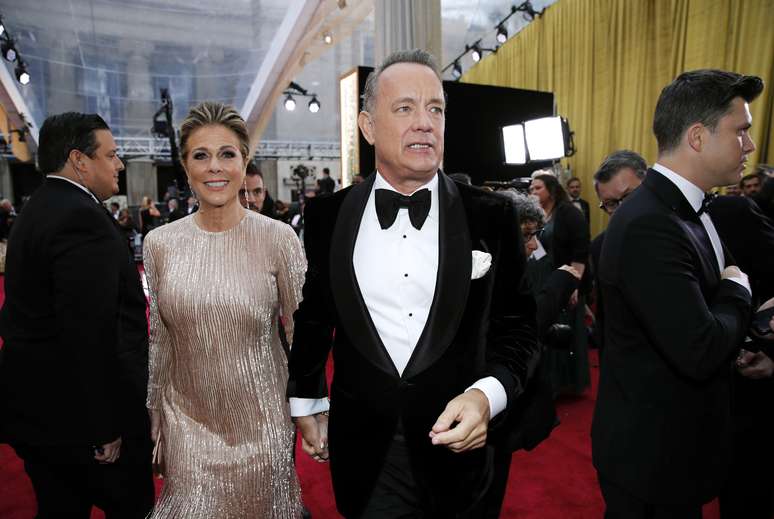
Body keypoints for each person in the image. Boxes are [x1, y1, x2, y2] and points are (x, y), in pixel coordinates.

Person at [287, 49, 539, 519]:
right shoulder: (327, 217)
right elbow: (315, 314)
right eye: (404, 108)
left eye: (435, 109)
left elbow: (519, 329)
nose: (424, 122)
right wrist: (305, 398)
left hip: (462, 451)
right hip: (367, 448)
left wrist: (488, 395)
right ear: (367, 126)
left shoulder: (491, 213)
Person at [591, 69, 761, 518]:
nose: (750, 145)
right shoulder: (650, 223)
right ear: (699, 137)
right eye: (741, 131)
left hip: (678, 447)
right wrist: (736, 290)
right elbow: (700, 348)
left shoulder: (683, 208)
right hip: (651, 462)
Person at [143, 101, 305, 518]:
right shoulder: (160, 244)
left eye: (227, 154)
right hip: (188, 425)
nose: (215, 167)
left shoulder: (278, 239)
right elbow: (160, 339)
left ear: (244, 161)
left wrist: (311, 410)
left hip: (263, 425)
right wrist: (154, 408)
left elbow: (300, 333)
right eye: (201, 155)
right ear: (185, 166)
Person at [0, 112, 154, 518]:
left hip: (39, 418)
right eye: (111, 155)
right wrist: (104, 426)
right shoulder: (80, 218)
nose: (119, 164)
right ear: (79, 161)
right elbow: (88, 332)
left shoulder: (34, 211)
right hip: (81, 426)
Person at [483, 190, 580, 518]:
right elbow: (526, 324)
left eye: (534, 235)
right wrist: (561, 282)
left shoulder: (506, 265)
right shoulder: (484, 268)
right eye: (525, 235)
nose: (532, 245)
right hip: (484, 401)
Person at [529, 173, 590, 395]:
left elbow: (580, 252)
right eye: (532, 189)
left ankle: (569, 384)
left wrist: (573, 284)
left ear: (552, 190)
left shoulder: (569, 213)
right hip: (545, 280)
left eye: (538, 188)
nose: (533, 192)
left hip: (568, 280)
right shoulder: (537, 214)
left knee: (566, 332)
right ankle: (553, 383)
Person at [589, 150, 648, 352]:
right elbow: (606, 317)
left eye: (629, 197)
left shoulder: (682, 232)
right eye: (611, 204)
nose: (623, 209)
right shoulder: (599, 247)